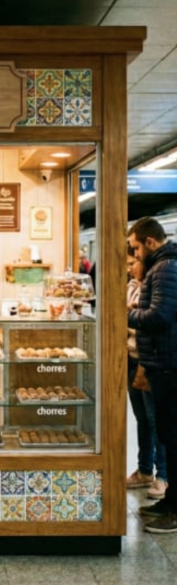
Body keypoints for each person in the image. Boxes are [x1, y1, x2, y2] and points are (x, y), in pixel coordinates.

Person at [128, 216, 177, 533]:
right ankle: (169, 502)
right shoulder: (160, 267)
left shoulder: (165, 268)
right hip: (162, 362)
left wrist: (125, 313)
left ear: (149, 242)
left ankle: (174, 510)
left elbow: (160, 316)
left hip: (168, 364)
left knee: (171, 435)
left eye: (135, 248)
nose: (134, 255)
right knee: (168, 434)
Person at [126, 246, 167, 499]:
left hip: (148, 361)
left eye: (134, 262)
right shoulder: (131, 286)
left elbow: (150, 320)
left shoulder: (154, 286)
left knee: (156, 420)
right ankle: (144, 469)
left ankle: (163, 476)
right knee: (141, 418)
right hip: (131, 357)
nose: (130, 268)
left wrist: (130, 314)